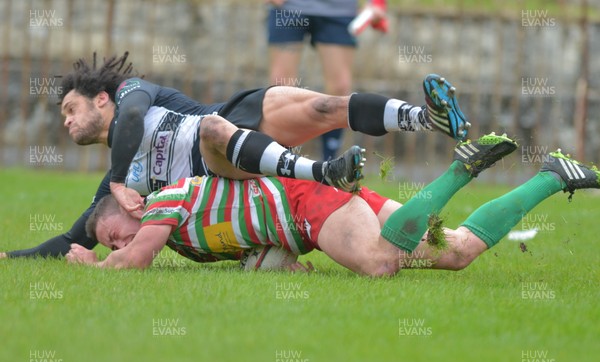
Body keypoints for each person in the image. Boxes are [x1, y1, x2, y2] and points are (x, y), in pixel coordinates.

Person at [1, 52, 470, 259]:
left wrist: (122, 176)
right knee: (210, 134)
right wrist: (11, 257)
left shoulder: (130, 96)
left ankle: (426, 119)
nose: (65, 122)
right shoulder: (117, 187)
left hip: (235, 117)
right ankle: (326, 172)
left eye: (70, 109)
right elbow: (74, 239)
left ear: (100, 98)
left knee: (325, 106)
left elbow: (132, 120)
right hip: (221, 165)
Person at [66, 133, 600, 275]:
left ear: (133, 209)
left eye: (116, 236)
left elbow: (132, 262)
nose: (123, 247)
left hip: (305, 202)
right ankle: (554, 176)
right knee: (456, 250)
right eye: (112, 246)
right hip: (309, 217)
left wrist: (92, 264)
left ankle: (461, 168)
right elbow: (253, 248)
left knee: (380, 263)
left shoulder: (166, 201)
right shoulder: (188, 245)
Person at [267, 0, 387, 160]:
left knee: (340, 88)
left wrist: (376, 3)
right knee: (280, 88)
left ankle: (329, 166)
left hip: (339, 11)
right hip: (290, 7)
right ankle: (279, 163)